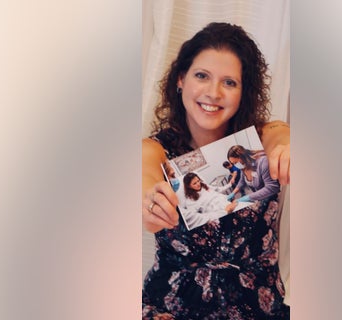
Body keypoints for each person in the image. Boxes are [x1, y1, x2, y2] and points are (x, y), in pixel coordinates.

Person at [142, 22, 291, 319]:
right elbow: (143, 178)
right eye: (202, 76)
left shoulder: (263, 138)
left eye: (229, 82)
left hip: (260, 308)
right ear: (181, 79)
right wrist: (148, 200)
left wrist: (286, 150)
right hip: (171, 308)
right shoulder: (155, 150)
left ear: (243, 92)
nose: (214, 92)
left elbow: (281, 135)